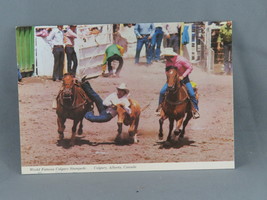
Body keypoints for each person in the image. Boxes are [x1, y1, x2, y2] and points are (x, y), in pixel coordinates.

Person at [155, 48, 200, 119]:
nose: (164, 57)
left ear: (169, 55)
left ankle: (195, 110)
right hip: (172, 80)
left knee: (191, 93)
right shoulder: (167, 61)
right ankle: (160, 107)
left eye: (165, 55)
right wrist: (169, 77)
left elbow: (190, 67)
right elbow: (167, 70)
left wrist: (183, 76)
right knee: (162, 92)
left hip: (184, 79)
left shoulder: (181, 60)